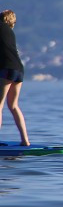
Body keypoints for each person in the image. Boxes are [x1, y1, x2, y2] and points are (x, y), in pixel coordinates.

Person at [0, 9, 30, 146]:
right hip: (19, 69)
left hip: (7, 69)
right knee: (13, 106)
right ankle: (25, 141)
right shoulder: (10, 33)